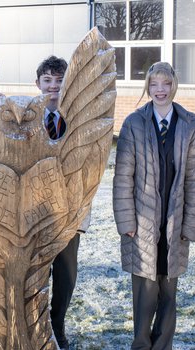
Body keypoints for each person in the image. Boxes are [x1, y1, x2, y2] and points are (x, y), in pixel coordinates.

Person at [113, 62, 195, 349]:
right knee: (145, 289)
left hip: (175, 221)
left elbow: (193, 179)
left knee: (169, 289)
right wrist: (127, 223)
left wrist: (189, 224)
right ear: (147, 87)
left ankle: (164, 345)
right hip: (142, 221)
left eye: (166, 84)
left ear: (174, 85)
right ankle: (141, 343)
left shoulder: (189, 124)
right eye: (154, 84)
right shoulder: (134, 123)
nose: (160, 90)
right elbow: (123, 177)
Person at [35, 56, 90, 350]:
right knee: (37, 274)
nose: (54, 87)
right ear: (38, 84)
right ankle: (38, 325)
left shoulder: (79, 120)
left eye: (59, 81)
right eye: (48, 81)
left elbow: (88, 167)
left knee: (66, 275)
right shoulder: (26, 118)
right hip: (35, 214)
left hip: (69, 212)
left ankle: (57, 324)